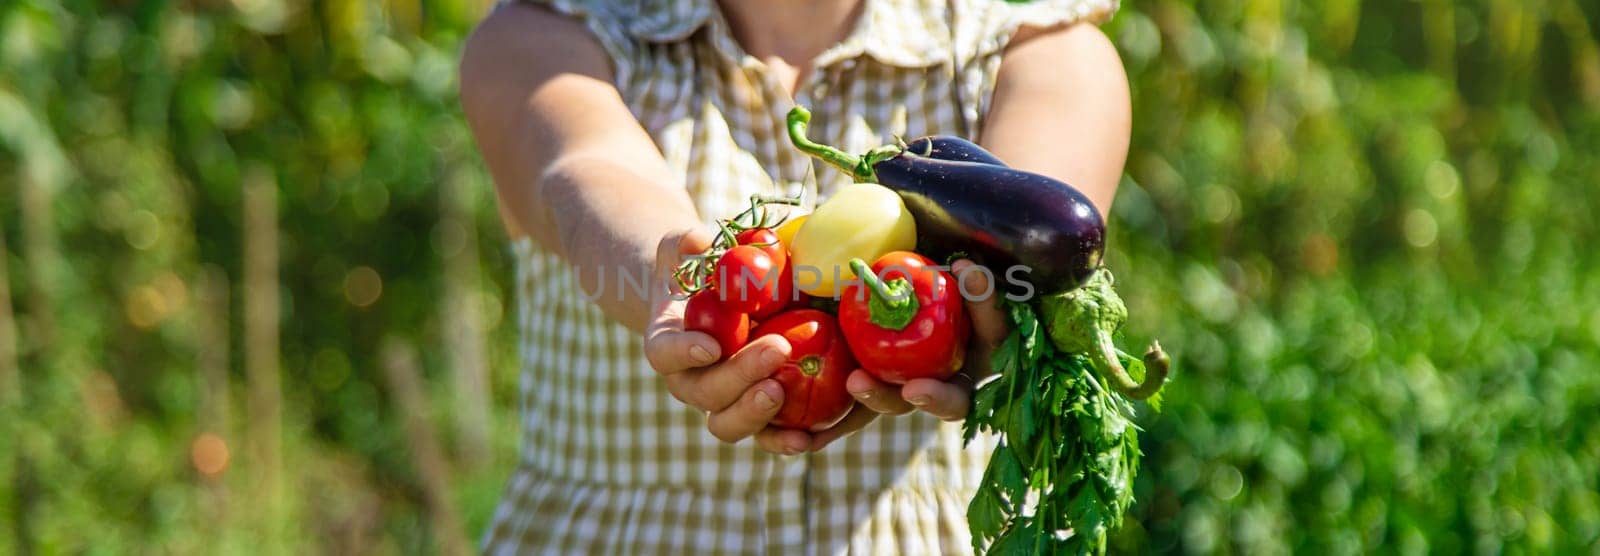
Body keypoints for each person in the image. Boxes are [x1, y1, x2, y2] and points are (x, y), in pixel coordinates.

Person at [459, 0, 1131, 552]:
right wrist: (677, 268)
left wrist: (986, 307)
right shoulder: (547, 35)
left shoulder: (1040, 49)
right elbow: (588, 167)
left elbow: (1035, 230)